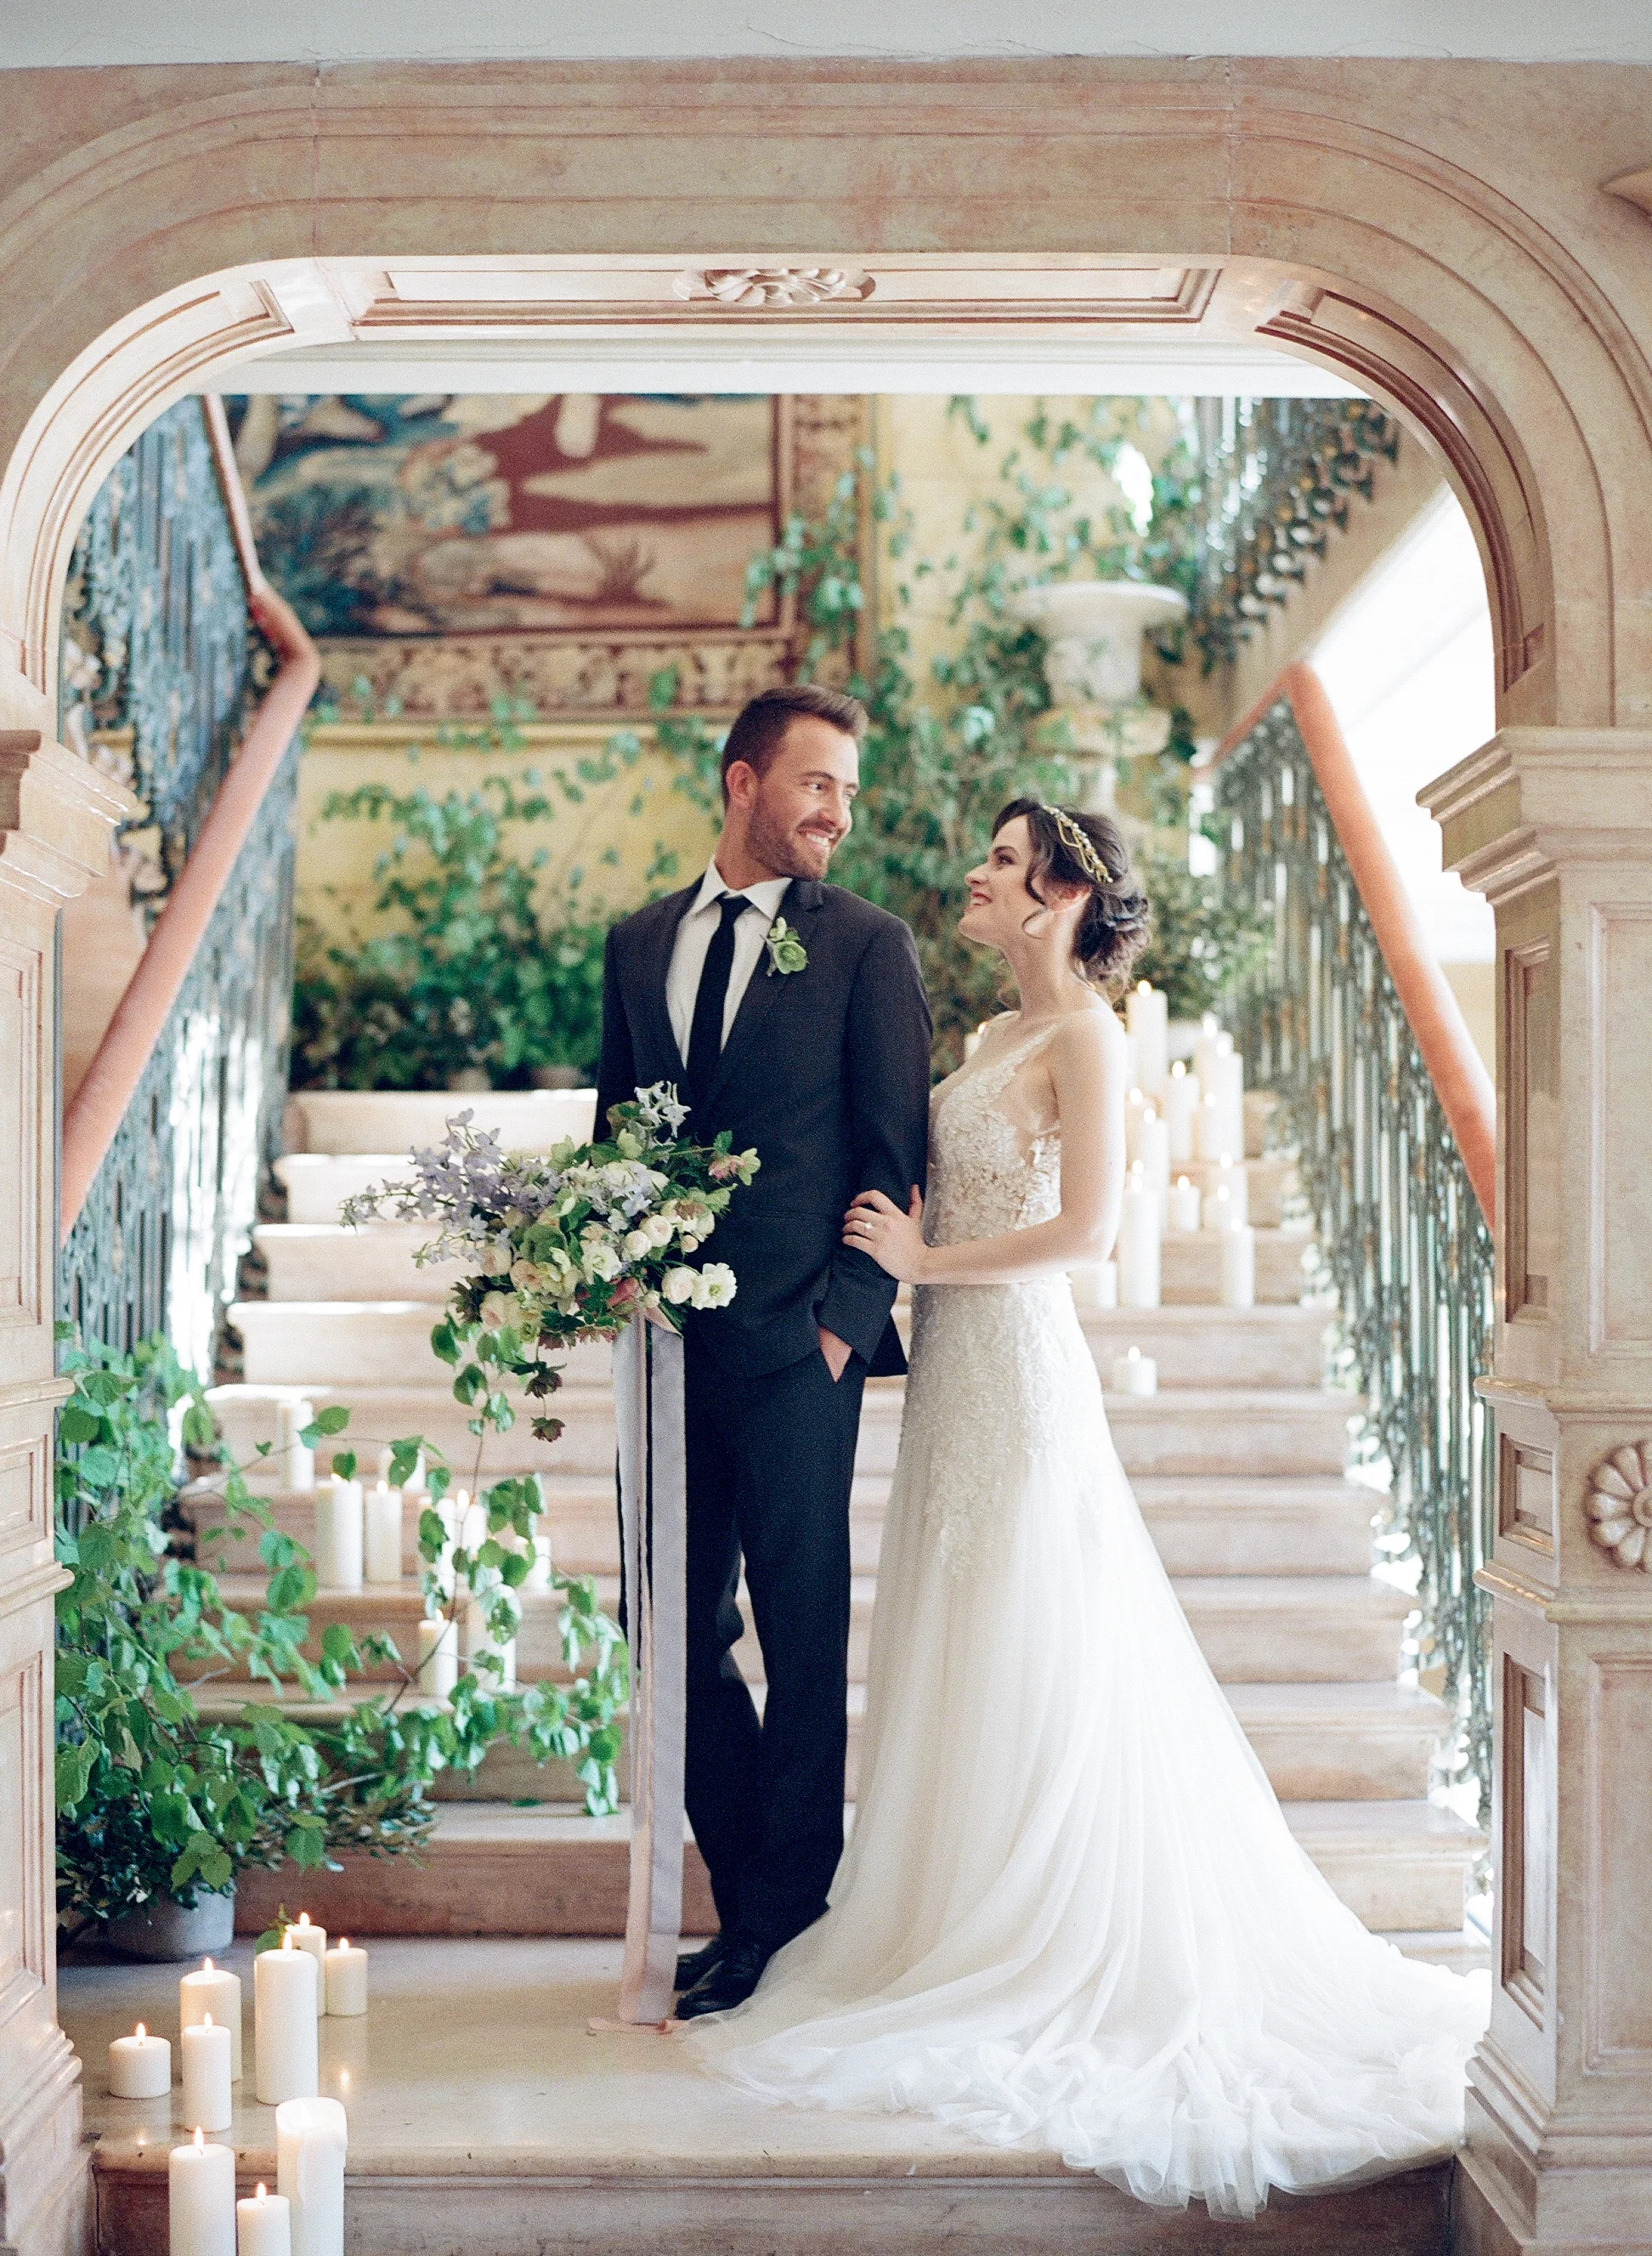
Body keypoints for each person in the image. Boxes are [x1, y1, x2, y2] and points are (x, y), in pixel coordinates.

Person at [684, 797, 1489, 2216]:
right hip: (956, 1379)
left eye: (1003, 860)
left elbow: (1088, 1232)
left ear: (1061, 896)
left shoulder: (1088, 1039)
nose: (978, 872)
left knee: (1035, 1628)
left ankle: (1043, 1935)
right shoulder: (991, 1035)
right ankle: (949, 1913)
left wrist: (924, 1265)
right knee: (961, 1634)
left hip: (1018, 1366)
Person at [595, 683, 931, 2018]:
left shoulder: (867, 947)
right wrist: (606, 1261)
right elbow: (620, 1132)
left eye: (847, 789)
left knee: (799, 1629)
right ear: (743, 782)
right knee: (664, 1628)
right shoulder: (639, 944)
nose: (836, 811)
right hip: (667, 1356)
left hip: (800, 1349)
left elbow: (893, 1153)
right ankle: (753, 1898)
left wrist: (845, 1325)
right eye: (815, 783)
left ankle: (783, 1925)